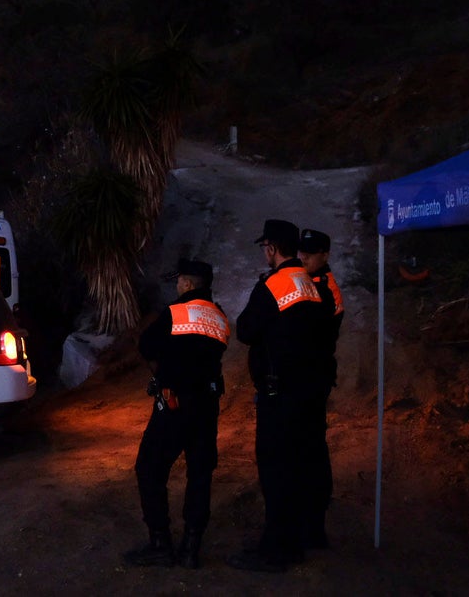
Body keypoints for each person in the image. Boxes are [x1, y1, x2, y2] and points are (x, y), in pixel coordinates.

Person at [229, 219, 324, 573]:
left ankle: (274, 551)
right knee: (296, 467)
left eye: (265, 248)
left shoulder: (274, 284)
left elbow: (245, 329)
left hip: (278, 392)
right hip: (304, 390)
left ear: (272, 247)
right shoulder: (309, 283)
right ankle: (294, 542)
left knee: (275, 470)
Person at [124, 258, 230, 568]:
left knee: (149, 468)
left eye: (179, 281)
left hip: (174, 405)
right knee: (200, 475)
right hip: (207, 407)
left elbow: (146, 346)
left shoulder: (175, 313)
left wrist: (164, 370)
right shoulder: (220, 316)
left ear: (187, 283)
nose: (177, 285)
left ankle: (160, 542)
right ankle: (190, 548)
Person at [297, 228, 344, 549]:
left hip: (313, 378)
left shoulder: (326, 289)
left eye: (310, 254)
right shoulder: (309, 282)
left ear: (325, 255)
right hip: (309, 376)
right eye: (301, 253)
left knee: (310, 448)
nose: (303, 258)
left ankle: (313, 525)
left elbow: (318, 336)